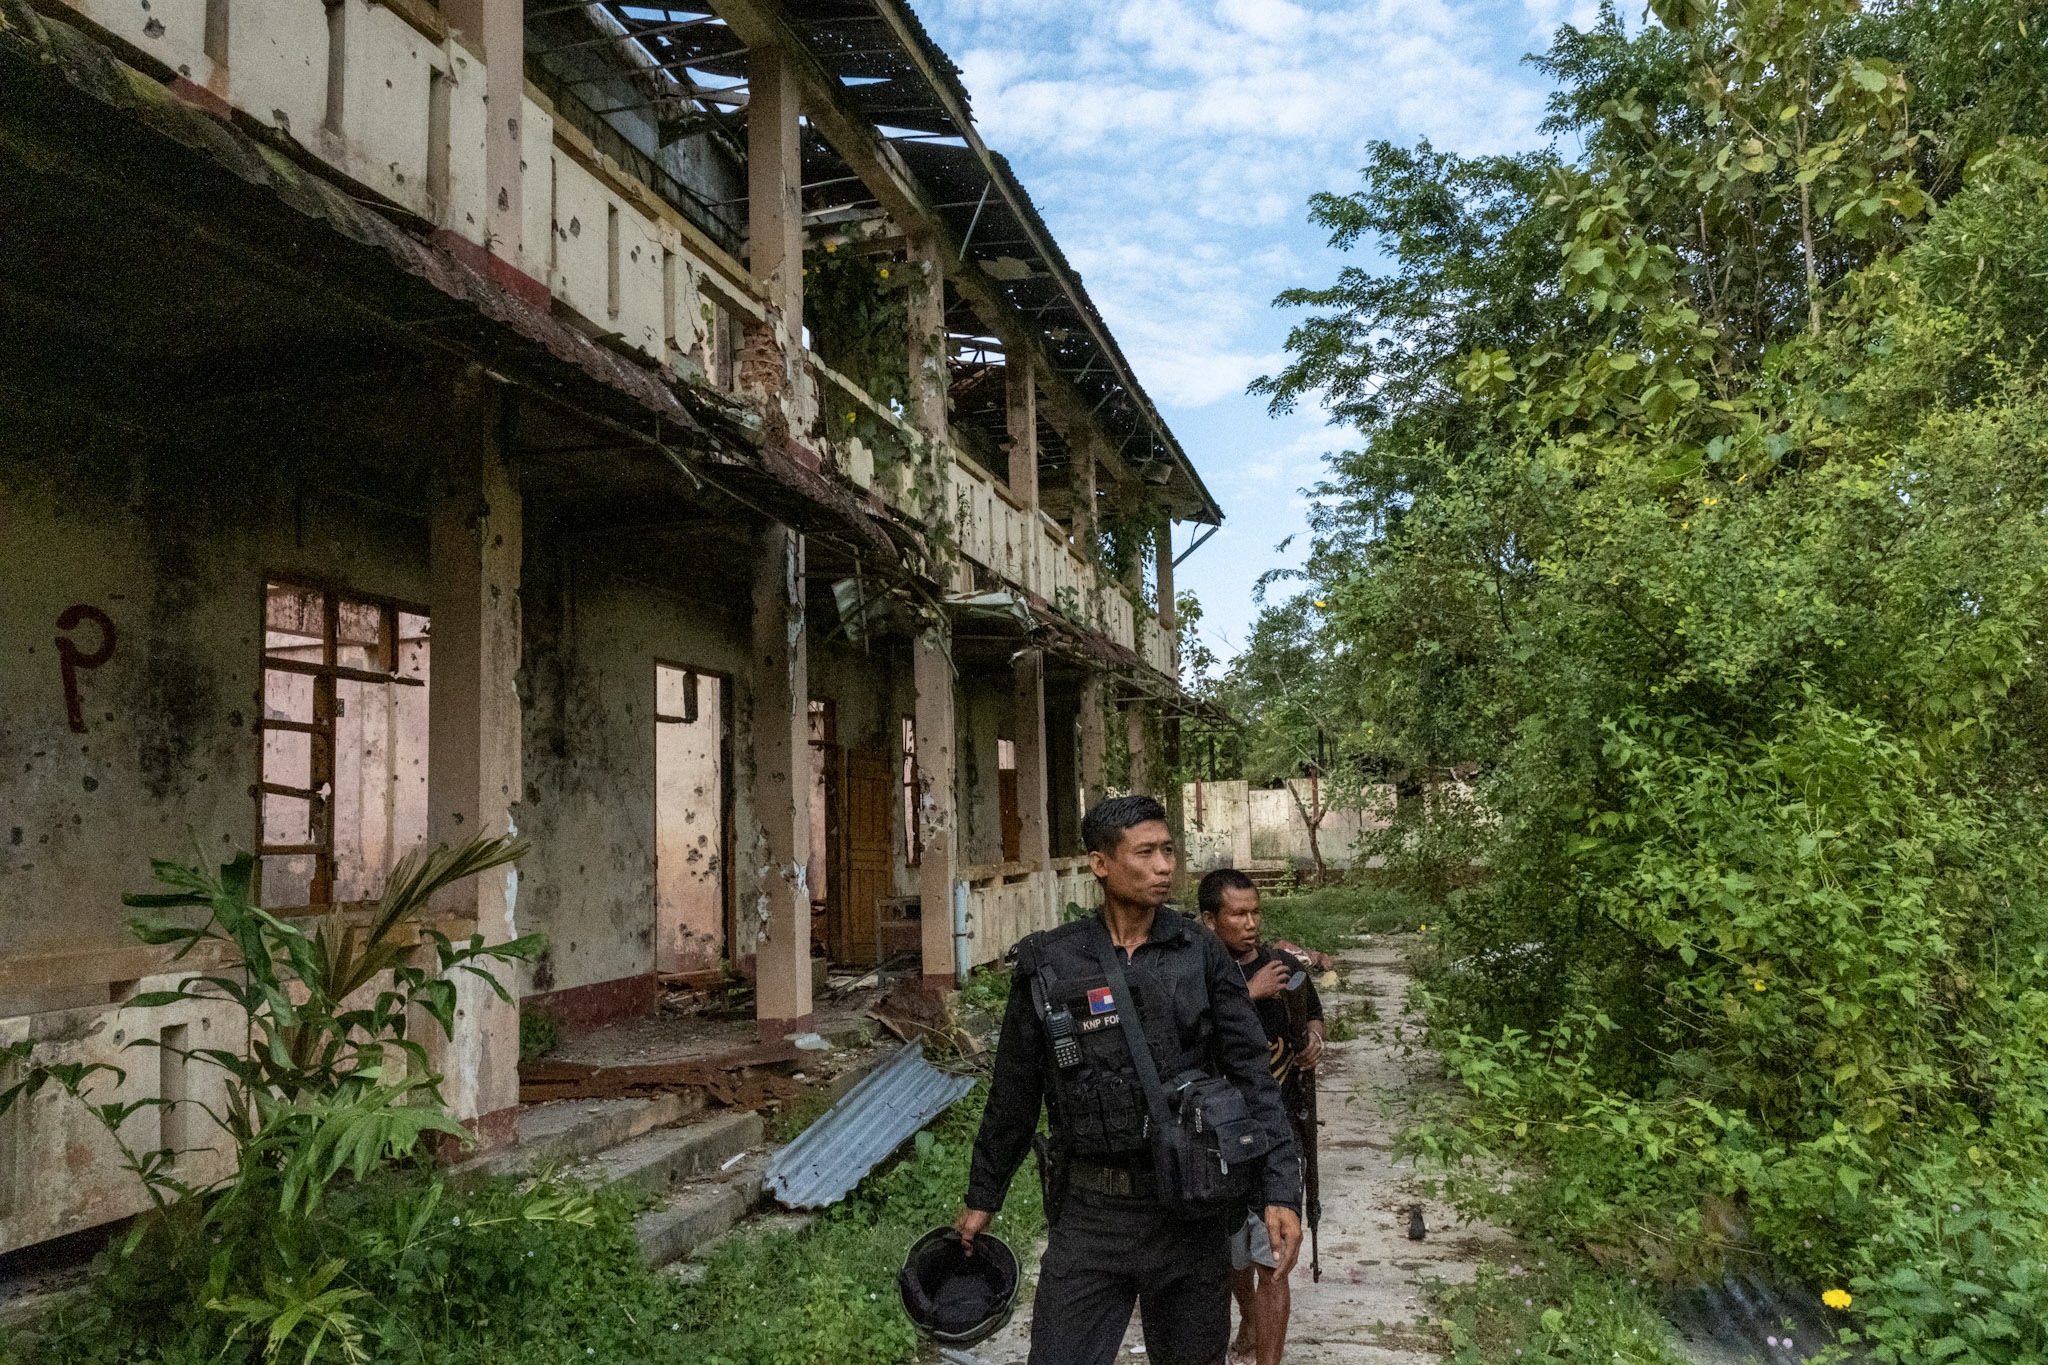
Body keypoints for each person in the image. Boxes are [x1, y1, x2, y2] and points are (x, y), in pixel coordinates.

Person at [956, 795, 1303, 1365]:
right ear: (1100, 863)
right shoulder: (1052, 962)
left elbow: (1252, 1077)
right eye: (1146, 853)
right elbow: (1014, 1091)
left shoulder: (1200, 953)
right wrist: (983, 1195)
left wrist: (1280, 1191)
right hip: (1091, 1215)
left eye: (1168, 850)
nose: (1164, 866)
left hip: (1190, 1210)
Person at [1197, 868, 1325, 1365]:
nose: (1251, 924)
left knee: (1273, 1256)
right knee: (1234, 1256)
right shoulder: (1195, 974)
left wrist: (1314, 1039)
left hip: (1277, 1133)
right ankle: (1248, 1316)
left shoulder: (1284, 966)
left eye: (1256, 913)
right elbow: (1187, 1039)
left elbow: (1312, 1011)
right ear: (1210, 920)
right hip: (1217, 1139)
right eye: (1238, 915)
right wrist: (1246, 994)